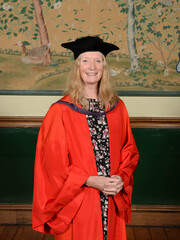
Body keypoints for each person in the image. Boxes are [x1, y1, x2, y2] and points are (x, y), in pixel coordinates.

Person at [32, 36, 139, 240]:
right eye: (85, 60)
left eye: (98, 60)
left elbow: (130, 151)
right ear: (77, 67)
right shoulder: (60, 111)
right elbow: (53, 164)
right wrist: (89, 180)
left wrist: (120, 178)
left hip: (111, 195)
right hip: (79, 200)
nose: (92, 66)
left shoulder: (118, 107)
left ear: (104, 67)